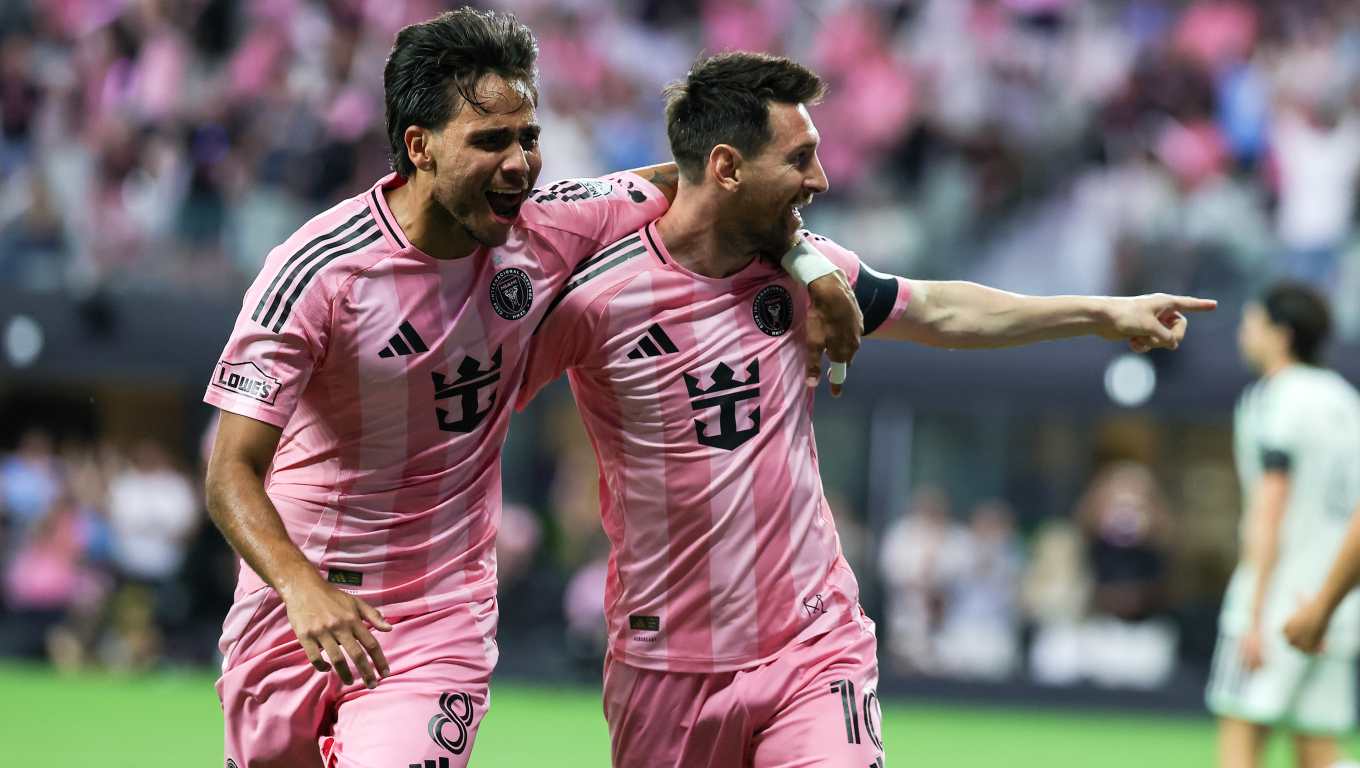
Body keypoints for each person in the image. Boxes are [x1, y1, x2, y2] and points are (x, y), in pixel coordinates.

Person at [519, 51, 1215, 767]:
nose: (820, 179)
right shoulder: (597, 298)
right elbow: (478, 412)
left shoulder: (802, 271)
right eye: (799, 159)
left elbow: (939, 307)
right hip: (664, 663)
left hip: (811, 645)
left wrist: (1101, 312)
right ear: (726, 167)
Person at [202, 10, 860, 768]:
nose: (520, 163)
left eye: (529, 136)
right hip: (294, 604)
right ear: (419, 146)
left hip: (436, 617)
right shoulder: (318, 270)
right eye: (490, 141)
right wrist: (299, 586)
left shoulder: (552, 228)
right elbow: (231, 472)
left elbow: (717, 187)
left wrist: (809, 263)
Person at [1206, 283, 1360, 768]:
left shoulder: (1274, 398)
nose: (1243, 334)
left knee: (1240, 740)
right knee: (1319, 750)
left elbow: (1271, 501)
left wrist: (1253, 612)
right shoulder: (1345, 399)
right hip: (1335, 598)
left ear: (1282, 334)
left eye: (1252, 323)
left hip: (1277, 600)